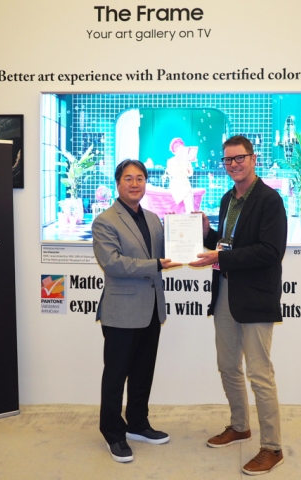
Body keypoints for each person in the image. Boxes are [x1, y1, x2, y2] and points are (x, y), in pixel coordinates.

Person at [190, 136, 287, 475]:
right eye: (228, 160)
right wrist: (207, 233)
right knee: (228, 365)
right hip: (225, 293)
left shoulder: (269, 200)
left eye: (239, 158)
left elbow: (270, 251)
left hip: (256, 296)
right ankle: (240, 426)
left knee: (259, 374)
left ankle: (272, 447)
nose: (233, 164)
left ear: (253, 158)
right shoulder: (227, 199)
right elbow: (227, 244)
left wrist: (221, 257)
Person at [92, 159, 181, 463]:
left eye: (140, 178)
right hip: (121, 311)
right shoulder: (105, 220)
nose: (134, 184)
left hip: (151, 308)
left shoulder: (154, 218)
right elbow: (113, 263)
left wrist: (188, 233)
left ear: (146, 182)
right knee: (116, 375)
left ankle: (138, 424)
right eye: (128, 178)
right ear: (118, 183)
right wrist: (155, 265)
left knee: (143, 372)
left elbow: (167, 253)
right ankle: (113, 432)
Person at [165, 137, 194, 214]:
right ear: (173, 149)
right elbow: (173, 173)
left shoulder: (186, 160)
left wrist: (186, 163)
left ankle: (191, 216)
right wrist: (181, 162)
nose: (179, 149)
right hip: (176, 185)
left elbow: (190, 174)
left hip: (185, 183)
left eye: (180, 147)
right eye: (177, 147)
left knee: (189, 198)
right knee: (184, 197)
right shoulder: (171, 161)